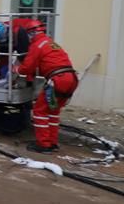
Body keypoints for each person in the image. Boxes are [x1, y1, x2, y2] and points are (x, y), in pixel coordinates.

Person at [14, 21, 78, 153]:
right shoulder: (51, 43)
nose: (28, 38)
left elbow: (27, 67)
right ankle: (52, 142)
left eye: (28, 35)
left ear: (31, 33)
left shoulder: (37, 45)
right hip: (71, 78)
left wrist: (17, 70)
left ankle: (43, 144)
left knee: (40, 110)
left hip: (58, 80)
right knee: (53, 111)